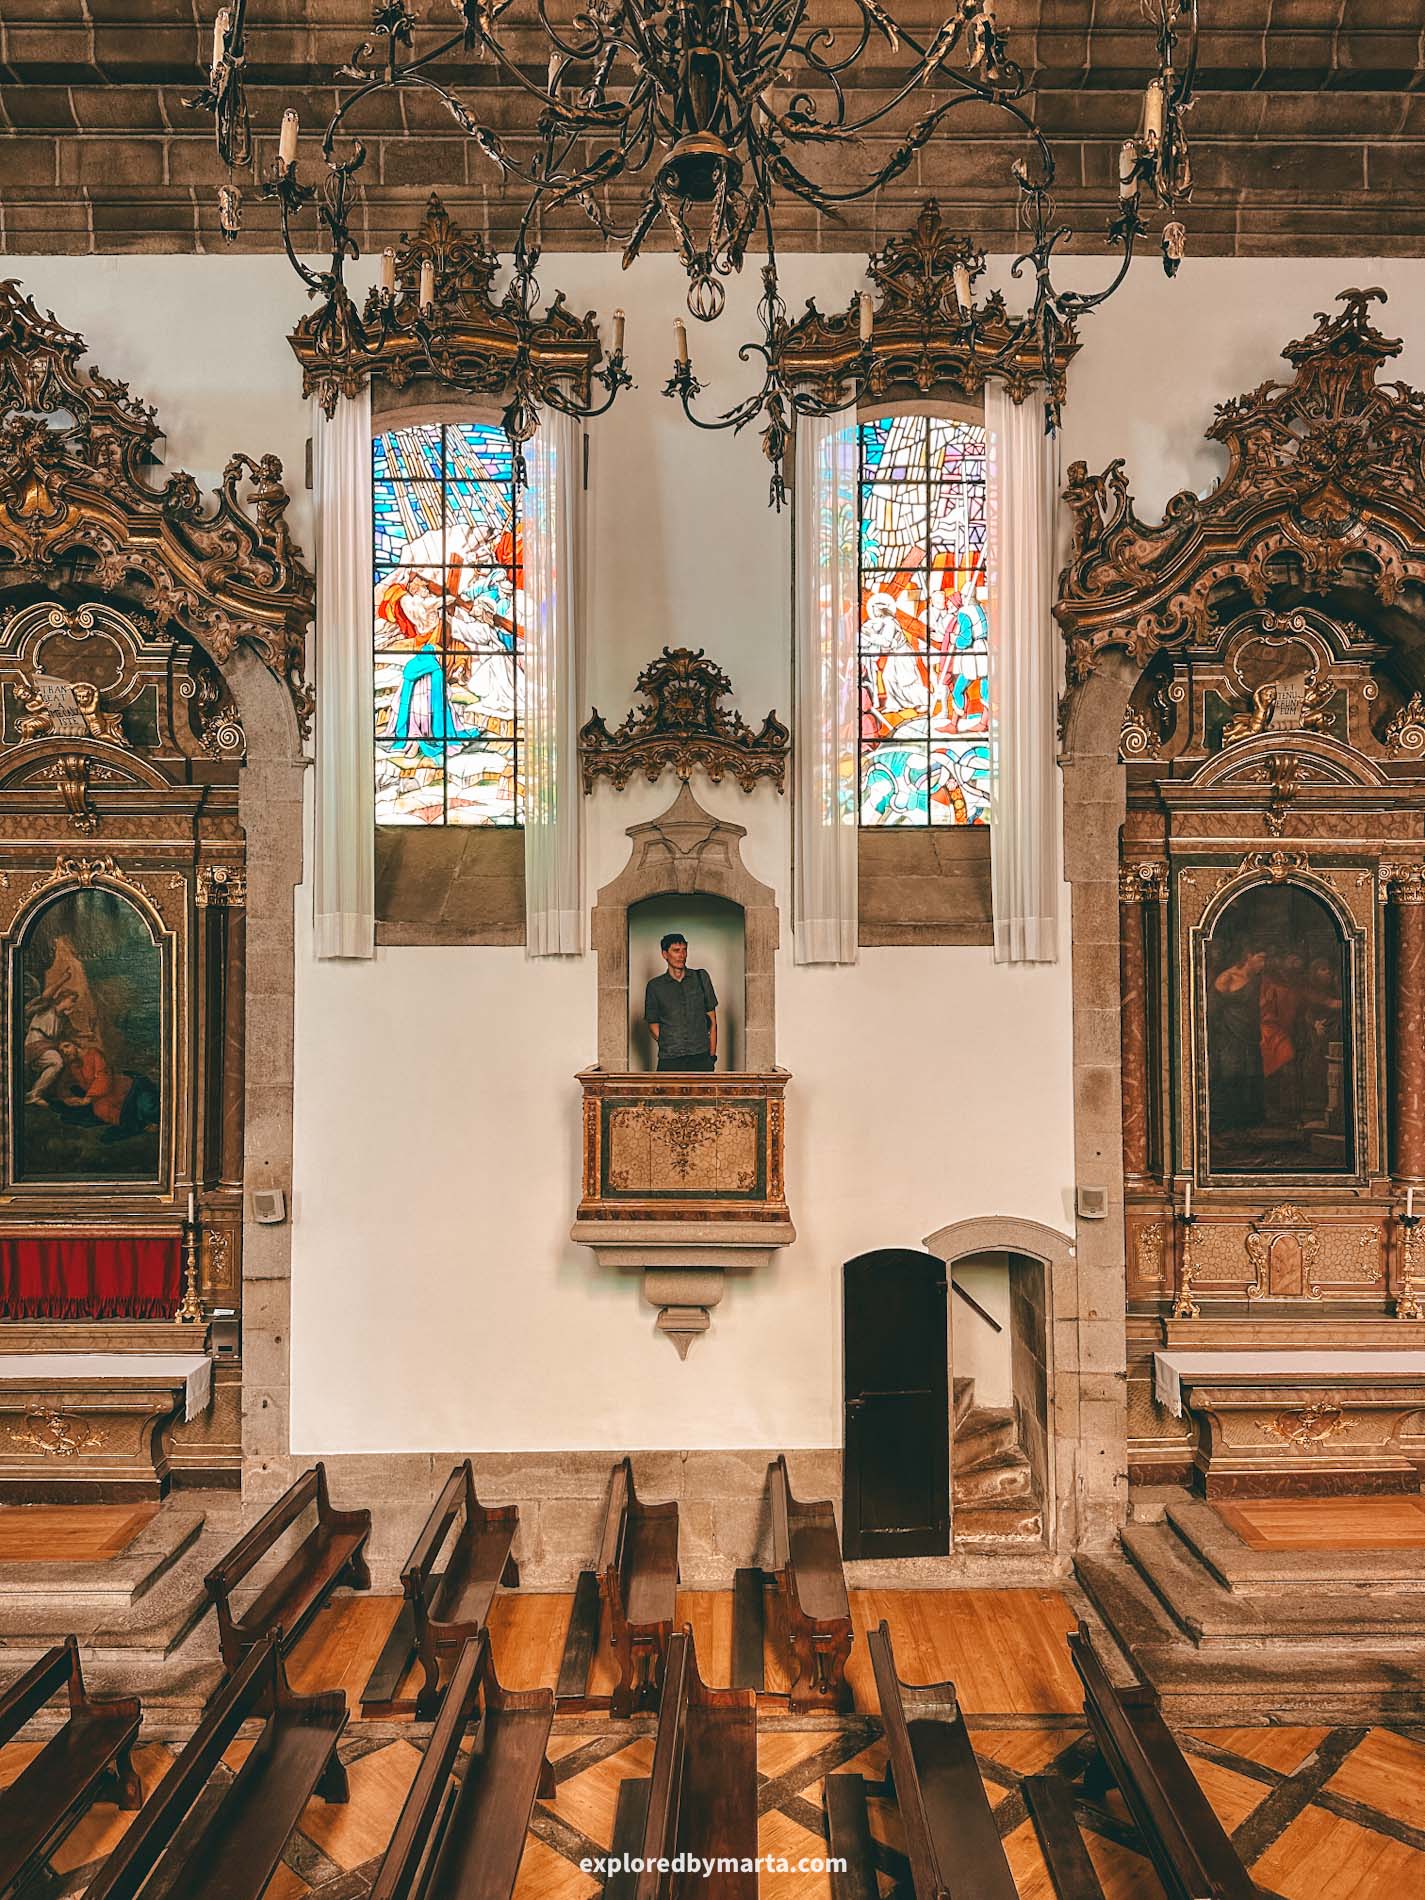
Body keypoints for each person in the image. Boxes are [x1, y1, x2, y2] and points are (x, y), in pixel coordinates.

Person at [644, 933, 718, 1072]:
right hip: (670, 1060)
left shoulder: (701, 978)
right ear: (665, 954)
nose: (681, 955)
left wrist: (711, 1057)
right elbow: (652, 1023)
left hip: (701, 1058)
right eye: (676, 951)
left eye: (684, 950)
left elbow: (713, 1022)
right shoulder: (655, 986)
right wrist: (671, 1042)